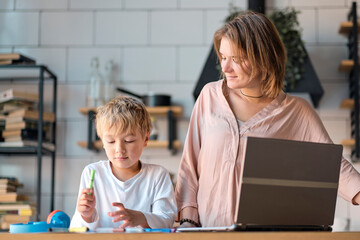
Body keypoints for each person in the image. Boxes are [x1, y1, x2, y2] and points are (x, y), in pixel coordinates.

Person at [175, 11, 360, 228]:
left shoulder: (296, 111)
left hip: (266, 233)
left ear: (264, 59)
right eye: (223, 57)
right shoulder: (209, 96)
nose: (225, 68)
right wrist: (187, 220)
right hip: (208, 231)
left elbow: (333, 167)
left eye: (236, 59)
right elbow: (190, 166)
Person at [70, 96, 177, 230]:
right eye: (110, 141)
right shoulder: (92, 172)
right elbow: (77, 229)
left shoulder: (157, 175)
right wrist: (86, 215)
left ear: (146, 138)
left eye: (129, 140)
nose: (119, 149)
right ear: (102, 141)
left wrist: (141, 218)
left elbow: (167, 220)